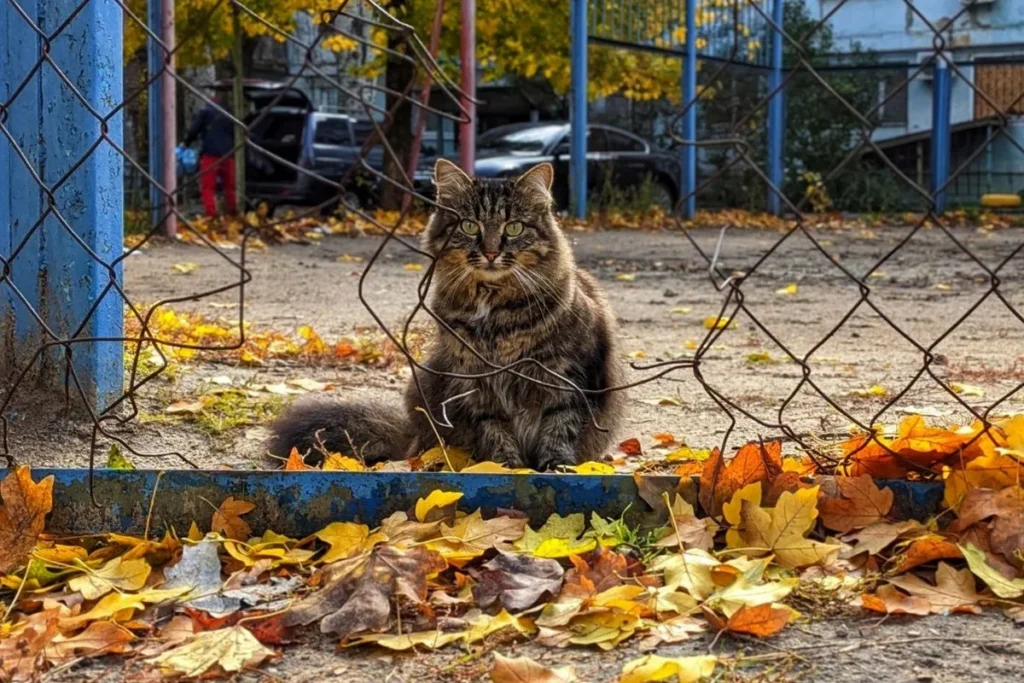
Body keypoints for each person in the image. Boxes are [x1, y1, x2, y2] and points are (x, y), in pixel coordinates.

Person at [181, 94, 238, 217]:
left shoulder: (205, 113)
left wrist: (186, 143)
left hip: (210, 154)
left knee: (208, 187)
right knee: (230, 186)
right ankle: (234, 213)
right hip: (228, 154)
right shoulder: (231, 115)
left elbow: (194, 130)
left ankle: (211, 214)